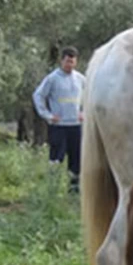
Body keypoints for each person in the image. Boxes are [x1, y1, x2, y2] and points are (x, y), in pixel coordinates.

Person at [33, 46, 85, 192]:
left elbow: (90, 95)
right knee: (56, 157)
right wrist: (48, 115)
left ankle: (74, 189)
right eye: (68, 61)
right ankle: (52, 189)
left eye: (73, 62)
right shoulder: (52, 78)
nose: (70, 65)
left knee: (76, 159)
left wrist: (84, 112)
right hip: (58, 126)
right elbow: (38, 95)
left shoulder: (80, 79)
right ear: (61, 61)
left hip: (75, 125)